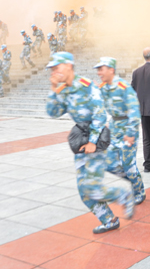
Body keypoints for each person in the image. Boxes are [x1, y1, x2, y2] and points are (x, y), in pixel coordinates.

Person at [45, 52, 134, 234]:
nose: (54, 71)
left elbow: (100, 115)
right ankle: (109, 220)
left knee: (92, 188)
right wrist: (53, 90)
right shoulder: (63, 90)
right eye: (52, 69)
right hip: (81, 142)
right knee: (83, 191)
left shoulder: (86, 86)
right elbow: (53, 112)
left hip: (95, 138)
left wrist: (93, 142)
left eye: (57, 67)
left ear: (69, 66)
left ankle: (122, 194)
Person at [94, 57, 145, 204]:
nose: (99, 73)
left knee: (128, 165)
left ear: (111, 70)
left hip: (128, 129)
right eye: (98, 70)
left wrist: (130, 134)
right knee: (108, 163)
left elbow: (134, 111)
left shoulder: (124, 87)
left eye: (101, 69)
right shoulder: (104, 88)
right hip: (115, 128)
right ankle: (133, 179)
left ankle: (139, 190)